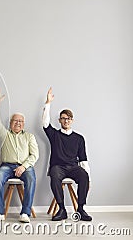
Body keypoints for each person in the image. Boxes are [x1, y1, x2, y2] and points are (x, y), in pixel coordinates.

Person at [42, 87, 92, 221]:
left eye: (69, 118)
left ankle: (80, 209)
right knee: (54, 174)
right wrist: (48, 103)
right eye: (63, 118)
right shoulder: (54, 135)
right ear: (59, 120)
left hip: (73, 167)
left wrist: (89, 177)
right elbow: (45, 123)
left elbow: (83, 159)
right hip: (58, 167)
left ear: (72, 120)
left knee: (84, 176)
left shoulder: (79, 138)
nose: (66, 121)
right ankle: (62, 209)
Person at [0, 89, 39, 223]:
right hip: (7, 165)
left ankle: (25, 213)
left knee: (31, 179)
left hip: (25, 166)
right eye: (15, 120)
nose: (18, 123)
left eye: (21, 121)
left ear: (24, 124)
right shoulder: (5, 134)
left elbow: (34, 155)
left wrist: (23, 166)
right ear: (10, 122)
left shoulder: (29, 136)